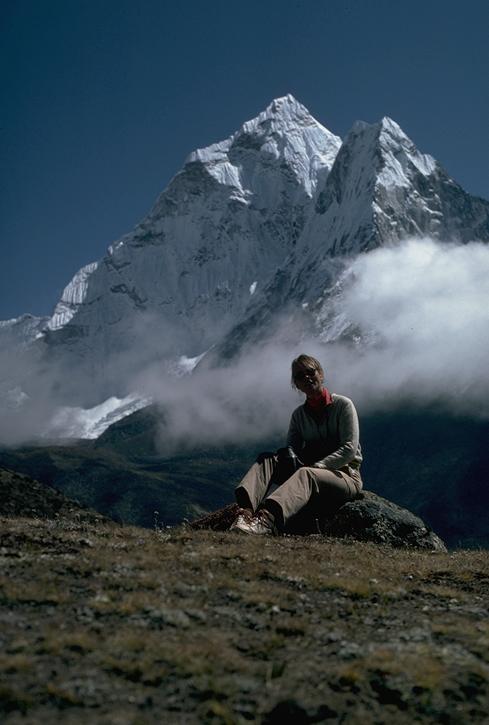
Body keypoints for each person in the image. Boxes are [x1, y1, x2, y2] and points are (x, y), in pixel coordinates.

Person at [231, 354, 363, 535]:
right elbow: (290, 454)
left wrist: (319, 466)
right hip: (309, 475)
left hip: (345, 477)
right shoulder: (298, 416)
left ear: (321, 374)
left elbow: (349, 448)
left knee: (306, 473)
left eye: (311, 372)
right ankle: (245, 514)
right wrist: (285, 459)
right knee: (267, 460)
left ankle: (266, 520)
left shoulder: (343, 405)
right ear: (296, 385)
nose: (307, 377)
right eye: (300, 376)